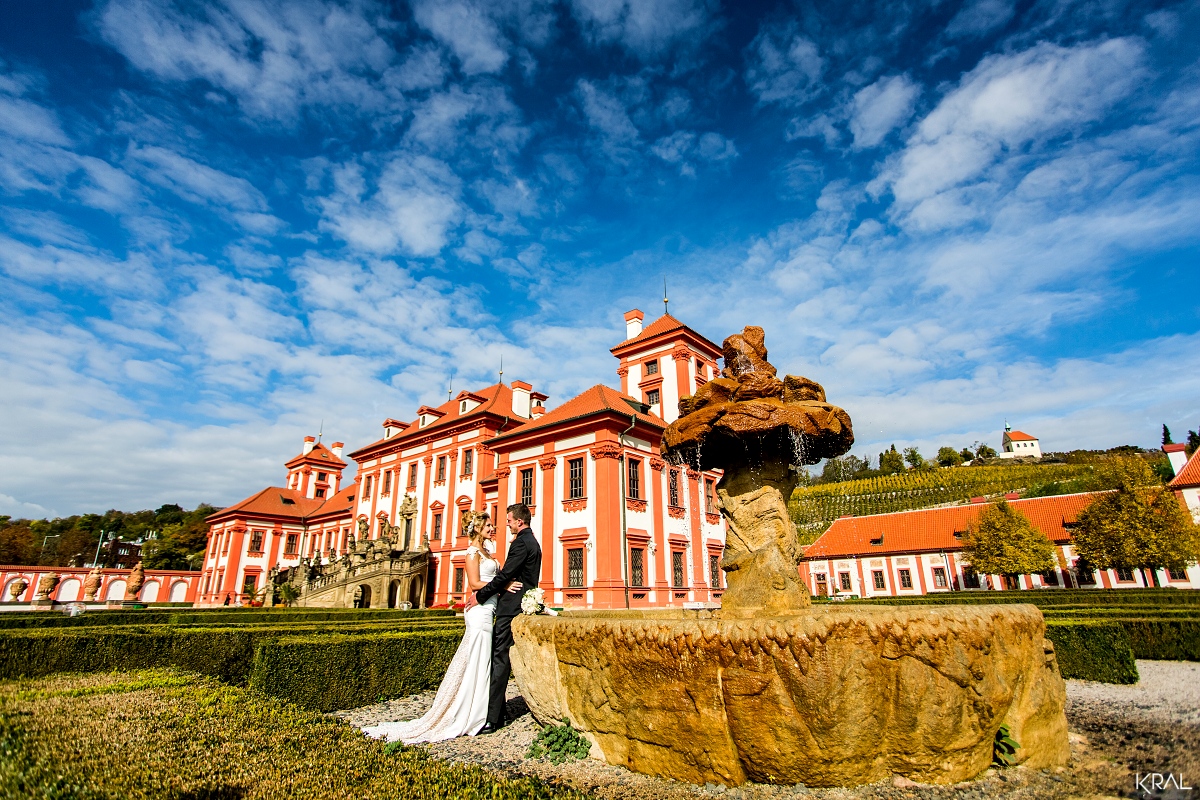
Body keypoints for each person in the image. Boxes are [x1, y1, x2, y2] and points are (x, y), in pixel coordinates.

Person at [361, 512, 503, 743]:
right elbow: (474, 583)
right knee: (478, 661)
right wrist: (502, 584)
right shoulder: (471, 553)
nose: (492, 527)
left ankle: (477, 710)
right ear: (477, 528)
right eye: (487, 525)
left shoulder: (486, 551)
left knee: (480, 662)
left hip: (488, 610)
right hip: (479, 612)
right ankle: (470, 714)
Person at [475, 502, 542, 733]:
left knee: (500, 659)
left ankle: (494, 717)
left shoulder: (522, 543)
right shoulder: (532, 541)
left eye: (510, 521)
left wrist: (480, 596)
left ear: (519, 522)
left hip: (510, 608)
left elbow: (505, 575)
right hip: (522, 604)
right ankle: (499, 711)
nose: (507, 524)